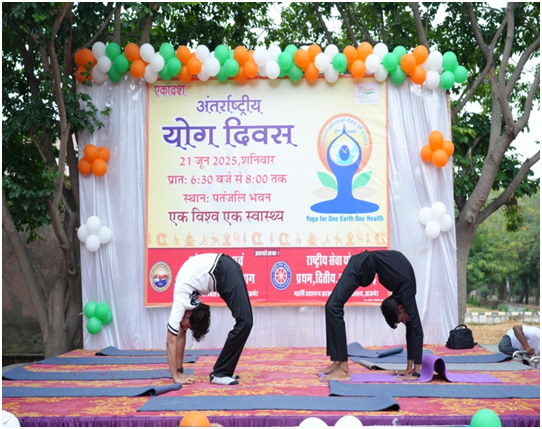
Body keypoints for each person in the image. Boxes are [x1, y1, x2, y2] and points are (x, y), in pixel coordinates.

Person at [319, 249, 424, 382]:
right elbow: (418, 331)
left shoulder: (403, 294)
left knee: (332, 307)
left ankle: (338, 364)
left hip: (364, 262)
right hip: (363, 263)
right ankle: (342, 369)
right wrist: (416, 374)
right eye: (401, 320)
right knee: (333, 307)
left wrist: (409, 369)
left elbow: (411, 329)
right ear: (400, 308)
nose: (404, 322)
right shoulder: (406, 293)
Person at [167, 253, 253, 386]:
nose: (186, 329)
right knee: (245, 322)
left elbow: (170, 340)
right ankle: (224, 370)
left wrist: (176, 379)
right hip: (226, 267)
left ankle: (220, 373)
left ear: (189, 313)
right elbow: (179, 335)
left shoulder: (180, 302)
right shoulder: (186, 307)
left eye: (189, 327)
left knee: (245, 322)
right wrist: (179, 372)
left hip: (224, 270)